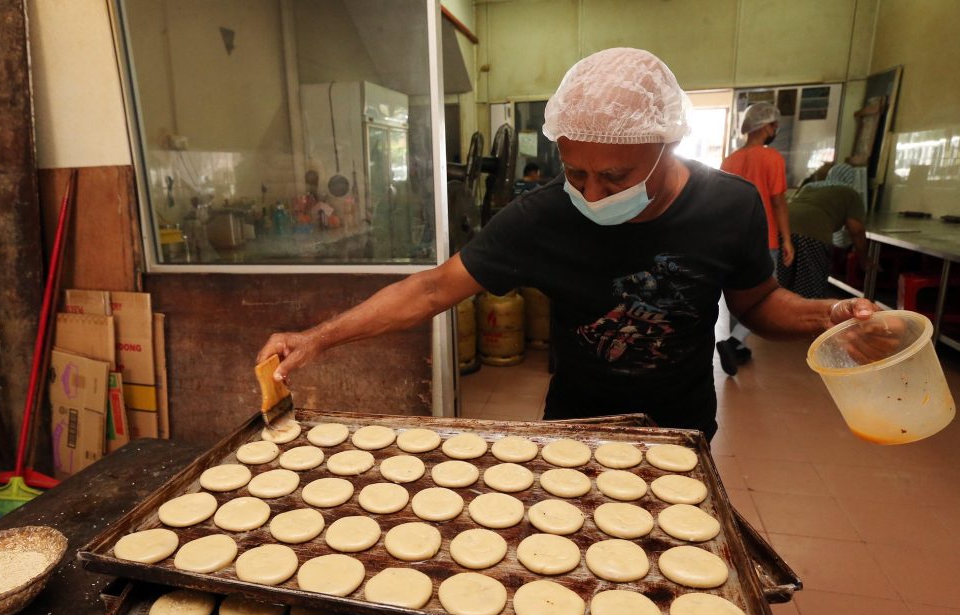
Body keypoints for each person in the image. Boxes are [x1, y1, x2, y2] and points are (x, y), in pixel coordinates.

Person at [257, 47, 874, 441]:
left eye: (617, 177)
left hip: (681, 425)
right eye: (577, 173)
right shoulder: (542, 217)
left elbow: (758, 304)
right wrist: (318, 337)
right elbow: (432, 288)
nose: (595, 193)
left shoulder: (729, 204)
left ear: (665, 147)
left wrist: (830, 314)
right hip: (575, 424)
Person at [715, 103, 794, 376]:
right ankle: (733, 341)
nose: (776, 131)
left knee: (737, 294)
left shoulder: (730, 160)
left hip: (730, 238)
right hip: (764, 238)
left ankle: (737, 346)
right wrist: (786, 239)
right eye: (775, 126)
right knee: (762, 298)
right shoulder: (772, 159)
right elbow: (778, 202)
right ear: (766, 127)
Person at [779, 163, 869, 298]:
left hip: (782, 228)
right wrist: (864, 259)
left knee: (781, 283)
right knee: (810, 289)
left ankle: (778, 318)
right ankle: (806, 317)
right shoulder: (851, 193)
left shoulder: (809, 186)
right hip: (813, 233)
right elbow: (856, 230)